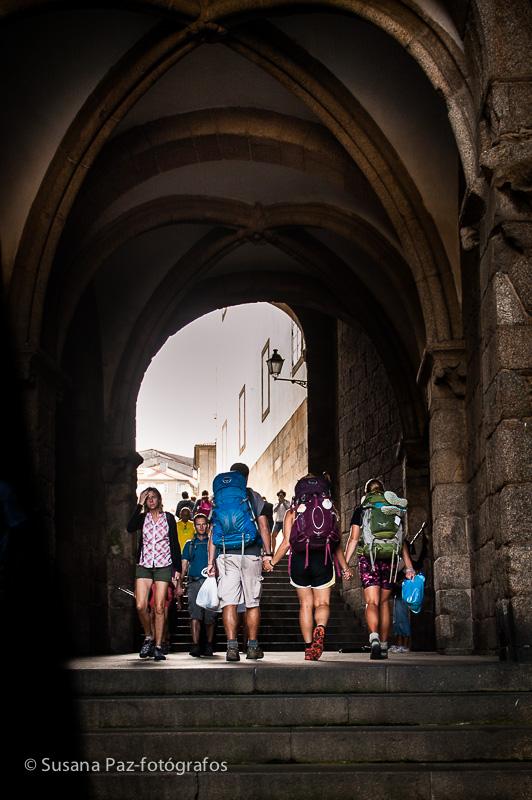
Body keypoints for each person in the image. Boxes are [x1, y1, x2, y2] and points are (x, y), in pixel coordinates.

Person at [270, 474, 352, 660]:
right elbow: (336, 542)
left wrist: (272, 562)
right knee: (322, 604)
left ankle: (309, 648)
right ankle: (320, 629)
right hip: (322, 560)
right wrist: (345, 567)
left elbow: (286, 544)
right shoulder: (330, 509)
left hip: (299, 561)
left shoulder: (292, 512)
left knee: (305, 605)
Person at [207, 462, 272, 662]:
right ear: (246, 476)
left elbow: (212, 532)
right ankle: (252, 647)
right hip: (250, 552)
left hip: (226, 554)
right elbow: (263, 525)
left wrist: (211, 562)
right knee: (252, 603)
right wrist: (267, 554)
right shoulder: (252, 495)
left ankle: (231, 647)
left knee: (229, 603)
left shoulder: (218, 497)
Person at [344, 478, 415, 660]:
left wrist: (344, 563)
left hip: (369, 558)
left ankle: (374, 637)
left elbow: (353, 538)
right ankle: (383, 645)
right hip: (390, 559)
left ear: (366, 493)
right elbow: (401, 539)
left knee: (372, 602)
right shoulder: (392, 510)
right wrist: (408, 567)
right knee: (384, 603)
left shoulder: (362, 509)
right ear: (383, 492)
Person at [127, 487, 182, 661]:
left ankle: (158, 646)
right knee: (140, 605)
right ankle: (149, 637)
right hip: (144, 565)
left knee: (159, 607)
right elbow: (130, 527)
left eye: (153, 497)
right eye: (147, 498)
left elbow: (175, 543)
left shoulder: (169, 518)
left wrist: (178, 570)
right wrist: (138, 504)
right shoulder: (142, 518)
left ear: (159, 499)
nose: (150, 500)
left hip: (163, 565)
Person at [181, 513, 217, 657]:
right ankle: (195, 645)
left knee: (210, 616)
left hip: (211, 583)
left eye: (204, 524)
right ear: (194, 526)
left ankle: (208, 645)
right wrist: (179, 584)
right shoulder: (190, 544)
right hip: (194, 582)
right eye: (198, 524)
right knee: (195, 615)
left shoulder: (214, 543)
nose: (201, 527)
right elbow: (184, 566)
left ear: (207, 525)